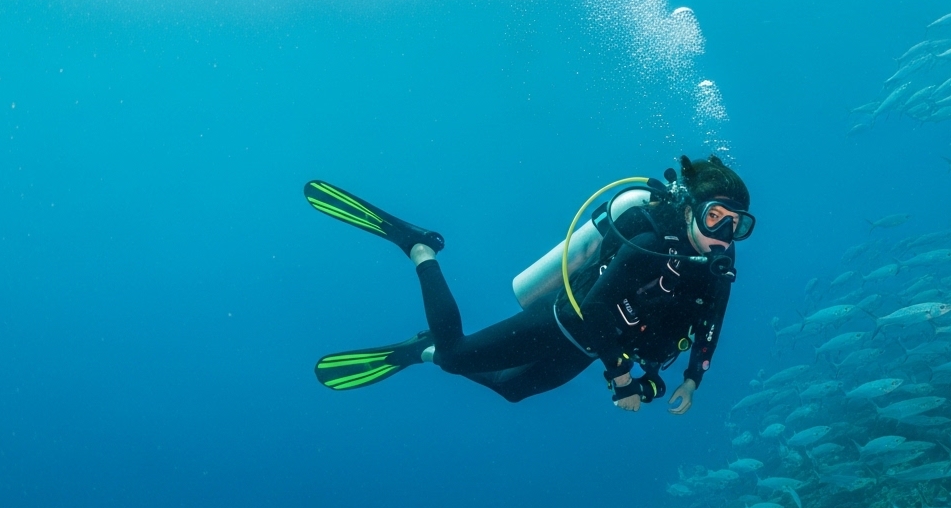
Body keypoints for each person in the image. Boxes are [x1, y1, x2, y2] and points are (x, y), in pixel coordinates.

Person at [305, 155, 753, 414]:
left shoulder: (719, 266)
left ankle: (422, 349)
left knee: (512, 390)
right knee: (456, 357)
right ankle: (420, 249)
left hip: (592, 347)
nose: (723, 233)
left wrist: (692, 379)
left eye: (736, 224)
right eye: (714, 216)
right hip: (562, 322)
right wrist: (620, 377)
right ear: (691, 209)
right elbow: (596, 307)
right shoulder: (650, 243)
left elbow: (711, 326)